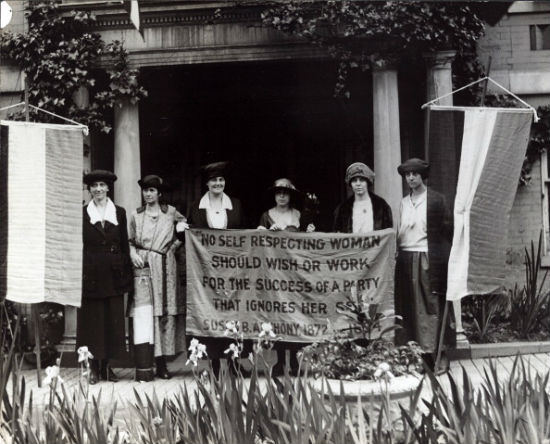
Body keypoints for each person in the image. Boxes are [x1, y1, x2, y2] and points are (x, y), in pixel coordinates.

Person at [186, 161, 246, 375]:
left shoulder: (236, 205)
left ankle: (233, 362)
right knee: (209, 312)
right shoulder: (195, 207)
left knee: (232, 313)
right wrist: (182, 228)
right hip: (206, 272)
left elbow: (244, 236)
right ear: (207, 184)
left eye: (221, 180)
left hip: (231, 272)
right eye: (213, 180)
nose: (217, 183)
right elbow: (190, 234)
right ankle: (211, 363)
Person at [394, 158, 453, 373]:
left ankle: (439, 354)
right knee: (410, 308)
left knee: (431, 306)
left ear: (422, 176)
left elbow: (448, 232)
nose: (411, 177)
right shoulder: (403, 202)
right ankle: (417, 356)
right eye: (407, 174)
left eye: (415, 174)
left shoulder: (436, 200)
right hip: (406, 259)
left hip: (428, 259)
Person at [128, 175, 188, 381]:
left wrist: (174, 246)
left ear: (159, 193)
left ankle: (163, 363)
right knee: (147, 314)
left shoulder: (170, 212)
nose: (148, 194)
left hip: (165, 266)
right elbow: (129, 241)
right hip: (144, 267)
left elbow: (184, 231)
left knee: (164, 313)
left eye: (152, 190)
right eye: (145, 190)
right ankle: (148, 363)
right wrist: (133, 253)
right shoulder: (136, 216)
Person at [78, 170, 133, 384]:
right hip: (91, 274)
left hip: (113, 274)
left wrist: (125, 274)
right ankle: (92, 367)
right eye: (94, 186)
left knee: (112, 320)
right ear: (89, 189)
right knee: (93, 321)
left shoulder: (119, 212)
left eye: (102, 185)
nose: (98, 189)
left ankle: (107, 366)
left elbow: (123, 244)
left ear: (108, 188)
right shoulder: (83, 213)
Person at [257, 178, 314, 375]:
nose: (281, 196)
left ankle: (295, 361)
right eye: (278, 192)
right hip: (274, 275)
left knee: (294, 315)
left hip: (294, 274)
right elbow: (258, 243)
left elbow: (307, 244)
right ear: (274, 195)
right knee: (278, 317)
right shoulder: (266, 216)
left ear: (290, 196)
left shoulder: (299, 215)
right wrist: (264, 232)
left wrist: (308, 232)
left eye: (285, 193)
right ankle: (280, 361)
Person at [333, 162, 393, 233]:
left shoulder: (382, 206)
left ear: (367, 182)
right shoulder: (342, 209)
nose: (358, 184)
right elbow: (337, 234)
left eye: (362, 180)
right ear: (350, 184)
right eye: (354, 181)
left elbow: (388, 235)